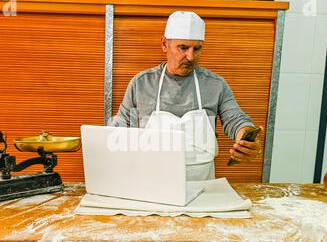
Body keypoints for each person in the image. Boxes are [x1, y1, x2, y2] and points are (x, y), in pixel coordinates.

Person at [110, 11, 263, 181]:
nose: (190, 57)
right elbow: (121, 129)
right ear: (164, 44)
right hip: (150, 184)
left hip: (202, 187)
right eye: (183, 48)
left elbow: (236, 119)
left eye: (197, 48)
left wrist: (247, 139)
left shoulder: (215, 85)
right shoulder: (141, 84)